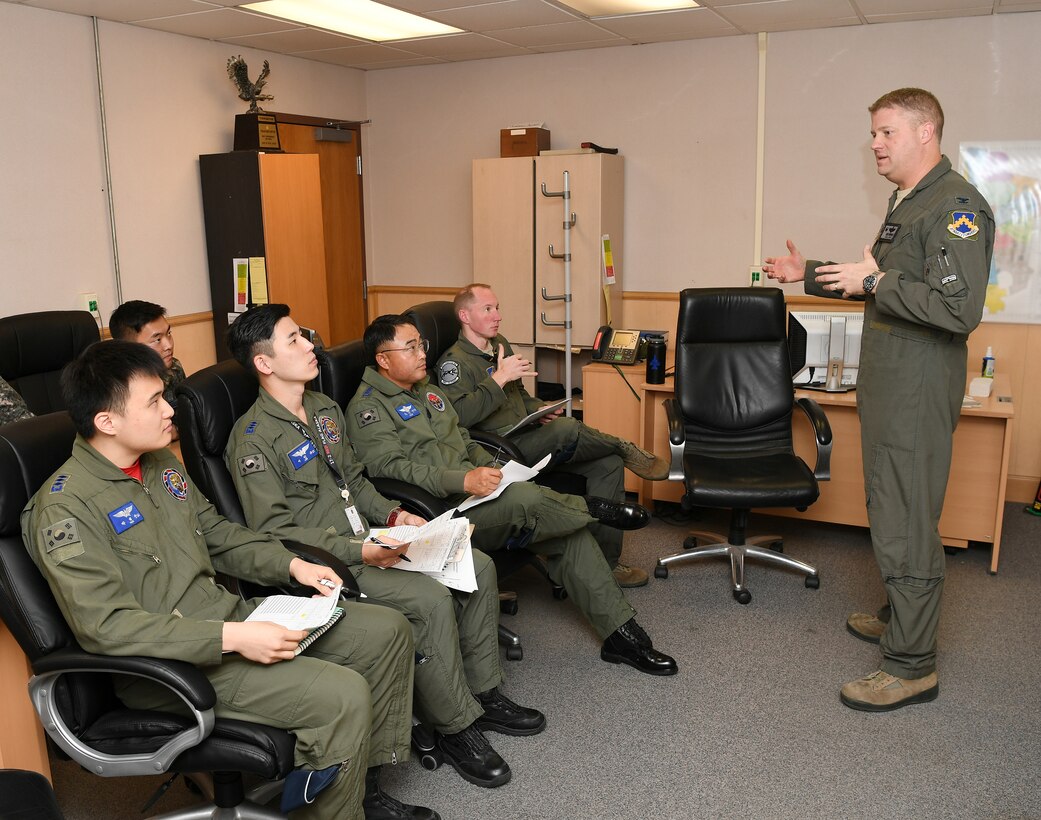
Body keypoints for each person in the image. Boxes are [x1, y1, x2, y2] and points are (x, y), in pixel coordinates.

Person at [21, 340, 435, 820]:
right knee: (340, 696)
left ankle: (359, 789)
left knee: (385, 632)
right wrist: (233, 637)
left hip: (230, 618)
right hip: (174, 666)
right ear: (107, 421)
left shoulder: (158, 465)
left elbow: (217, 535)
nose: (170, 409)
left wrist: (292, 566)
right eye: (154, 401)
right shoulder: (64, 509)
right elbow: (107, 626)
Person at [225, 304, 544, 791]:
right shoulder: (252, 440)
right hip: (332, 562)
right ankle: (458, 728)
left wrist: (395, 516)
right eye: (294, 341)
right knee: (431, 600)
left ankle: (485, 693)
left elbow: (356, 482)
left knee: (473, 563)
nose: (312, 346)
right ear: (264, 363)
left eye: (305, 336)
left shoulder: (324, 410)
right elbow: (274, 533)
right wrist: (361, 551)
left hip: (374, 537)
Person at [763, 87, 995, 712]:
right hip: (893, 387)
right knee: (892, 508)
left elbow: (957, 308)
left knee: (908, 520)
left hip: (916, 392)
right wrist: (809, 272)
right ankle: (903, 619)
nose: (875, 143)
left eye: (887, 132)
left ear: (926, 133)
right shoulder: (911, 203)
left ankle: (912, 664)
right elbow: (887, 287)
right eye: (873, 133)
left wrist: (878, 280)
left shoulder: (955, 206)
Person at [346, 314, 679, 678]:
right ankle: (595, 509)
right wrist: (463, 480)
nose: (422, 353)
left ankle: (621, 635)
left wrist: (493, 470)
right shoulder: (369, 408)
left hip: (475, 494)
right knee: (531, 501)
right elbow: (392, 471)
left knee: (563, 529)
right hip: (436, 512)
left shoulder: (427, 389)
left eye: (421, 344)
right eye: (410, 347)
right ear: (383, 359)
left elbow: (464, 440)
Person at [435, 284, 669, 588]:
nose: (498, 316)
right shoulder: (453, 364)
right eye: (488, 309)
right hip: (497, 451)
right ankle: (626, 447)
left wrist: (539, 409)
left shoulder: (499, 344)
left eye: (497, 308)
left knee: (608, 463)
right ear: (465, 315)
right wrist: (499, 378)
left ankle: (606, 565)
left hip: (525, 433)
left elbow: (518, 396)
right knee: (569, 428)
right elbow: (457, 418)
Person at [109, 301, 186, 434]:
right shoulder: (118, 386)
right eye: (157, 340)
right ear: (129, 348)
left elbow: (187, 419)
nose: (168, 345)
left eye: (168, 333)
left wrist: (176, 430)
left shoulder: (174, 368)